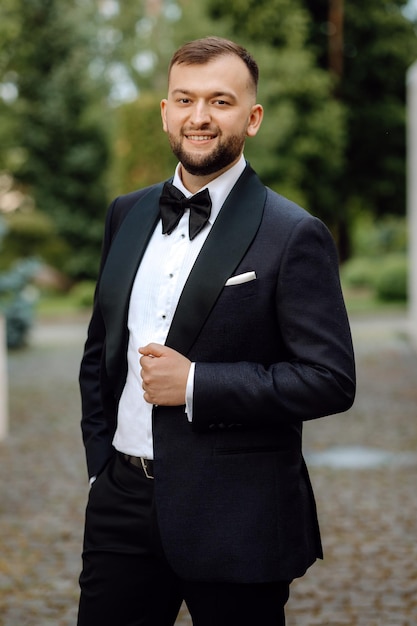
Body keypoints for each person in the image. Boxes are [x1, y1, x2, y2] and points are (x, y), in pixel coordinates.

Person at [77, 36, 356, 626]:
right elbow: (101, 349)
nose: (199, 117)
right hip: (121, 505)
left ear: (252, 118)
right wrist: (102, 460)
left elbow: (331, 379)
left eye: (220, 101)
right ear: (165, 112)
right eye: (185, 99)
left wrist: (199, 383)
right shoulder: (125, 214)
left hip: (237, 514)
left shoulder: (293, 233)